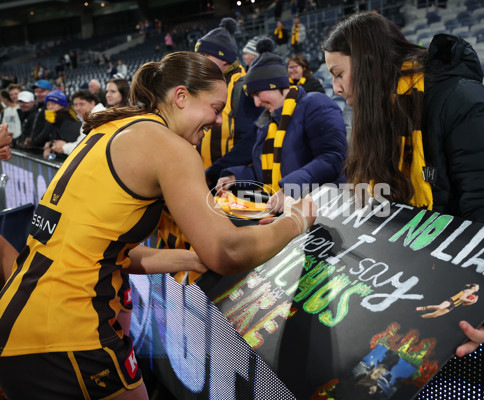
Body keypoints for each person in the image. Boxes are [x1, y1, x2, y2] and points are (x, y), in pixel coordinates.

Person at [0, 51, 316, 399]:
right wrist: (296, 220)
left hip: (17, 322)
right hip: (68, 331)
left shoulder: (110, 128)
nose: (218, 118)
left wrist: (190, 259)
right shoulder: (168, 146)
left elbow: (105, 250)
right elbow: (228, 250)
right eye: (215, 106)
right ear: (181, 97)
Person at [321, 12, 484, 356]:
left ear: (369, 64)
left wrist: (482, 293)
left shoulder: (461, 100)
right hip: (432, 261)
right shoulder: (382, 117)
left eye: (339, 74)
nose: (336, 88)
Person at [218, 38, 347, 213]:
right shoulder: (266, 123)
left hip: (324, 210)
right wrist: (236, 177)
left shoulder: (316, 104)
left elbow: (332, 158)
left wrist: (289, 188)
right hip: (284, 213)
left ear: (277, 86)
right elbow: (266, 174)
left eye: (258, 94)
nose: (256, 103)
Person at [194, 17, 262, 187]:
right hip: (205, 179)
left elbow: (250, 142)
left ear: (223, 58)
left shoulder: (244, 87)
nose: (199, 61)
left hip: (229, 182)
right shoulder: (209, 85)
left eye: (204, 55)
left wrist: (214, 172)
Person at [50, 89, 106, 156]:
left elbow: (83, 149)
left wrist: (63, 147)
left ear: (92, 103)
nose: (78, 108)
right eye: (75, 105)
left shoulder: (96, 118)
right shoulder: (91, 117)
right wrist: (64, 145)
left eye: (81, 104)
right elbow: (81, 143)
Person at [31, 89, 81, 159]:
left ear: (62, 105)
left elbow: (68, 143)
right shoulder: (55, 119)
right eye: (48, 104)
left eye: (54, 104)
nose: (50, 107)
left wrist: (51, 145)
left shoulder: (67, 120)